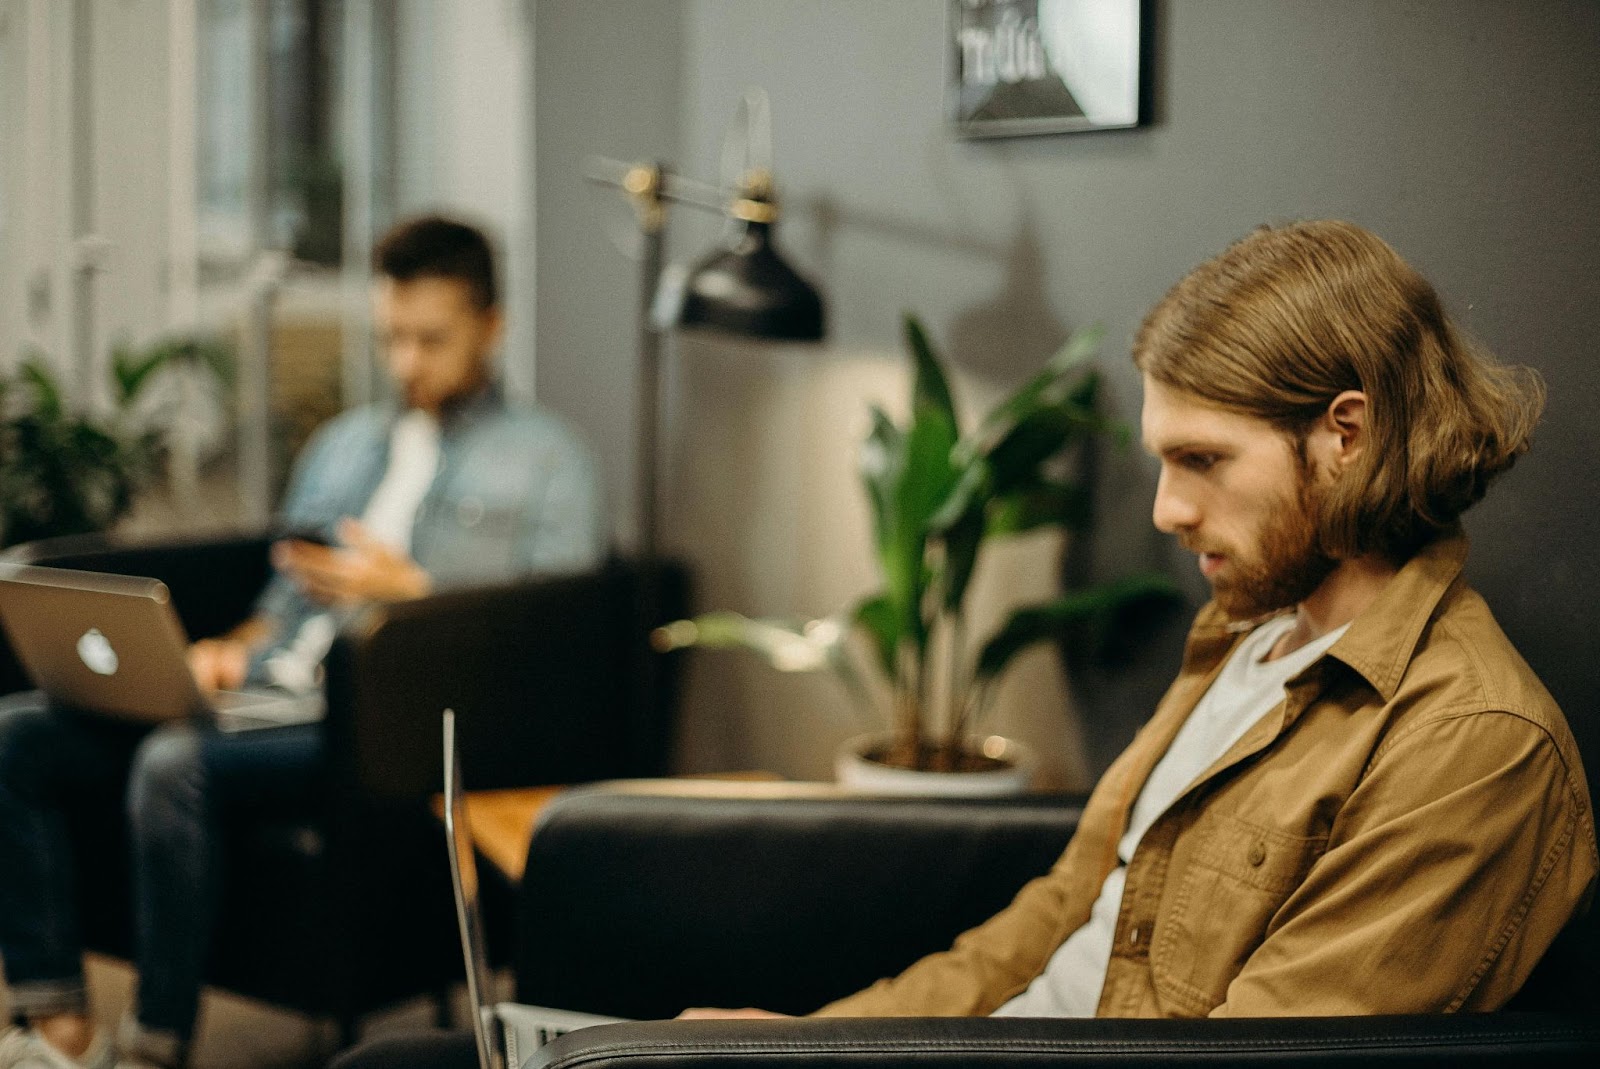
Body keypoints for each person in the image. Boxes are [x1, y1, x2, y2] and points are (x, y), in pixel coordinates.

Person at [331, 218, 1597, 1069]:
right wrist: (809, 1042)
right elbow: (1053, 916)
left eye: (1202, 462)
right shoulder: (1250, 635)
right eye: (1162, 461)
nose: (1165, 511)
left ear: (1347, 433)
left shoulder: (1468, 749)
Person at [0, 215, 603, 1069]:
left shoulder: (551, 461)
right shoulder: (344, 445)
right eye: (392, 337)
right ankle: (57, 1027)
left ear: (492, 325)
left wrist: (410, 596)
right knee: (19, 735)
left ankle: (151, 1048)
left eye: (432, 339)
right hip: (265, 695)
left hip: (374, 724)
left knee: (177, 761)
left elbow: (554, 633)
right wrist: (221, 650)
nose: (406, 363)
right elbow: (281, 598)